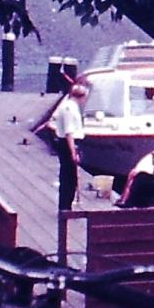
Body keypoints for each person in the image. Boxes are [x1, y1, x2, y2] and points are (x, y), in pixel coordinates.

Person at [48, 81, 89, 216]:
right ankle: (65, 207)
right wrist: (73, 152)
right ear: (81, 96)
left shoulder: (69, 105)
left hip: (69, 143)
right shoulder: (69, 109)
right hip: (69, 144)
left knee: (70, 176)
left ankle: (67, 205)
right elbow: (69, 132)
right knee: (68, 177)